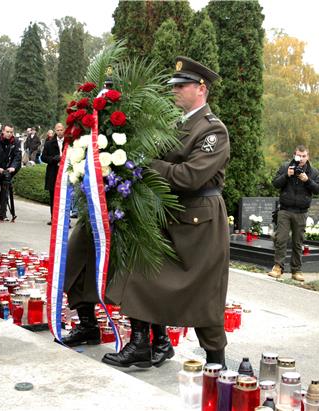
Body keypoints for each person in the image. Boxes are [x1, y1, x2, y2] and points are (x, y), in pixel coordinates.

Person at [102, 56, 231, 368]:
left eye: (182, 85)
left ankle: (217, 363)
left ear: (202, 89)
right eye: (174, 85)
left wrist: (146, 164)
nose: (175, 91)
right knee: (140, 271)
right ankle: (141, 344)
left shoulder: (214, 131)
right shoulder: (179, 123)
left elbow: (190, 177)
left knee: (204, 297)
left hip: (199, 223)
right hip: (170, 214)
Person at [268, 145, 319, 282]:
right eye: (299, 156)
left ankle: (296, 270)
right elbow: (275, 183)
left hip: (301, 212)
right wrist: (287, 175)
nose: (302, 158)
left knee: (298, 242)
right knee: (281, 239)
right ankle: (278, 267)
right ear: (294, 155)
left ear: (308, 156)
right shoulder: (286, 167)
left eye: (304, 156)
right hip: (285, 210)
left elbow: (318, 189)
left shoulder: (313, 172)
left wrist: (307, 180)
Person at [41, 123, 65, 225]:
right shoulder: (49, 143)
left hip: (65, 172)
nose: (59, 132)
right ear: (55, 131)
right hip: (53, 172)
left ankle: (65, 219)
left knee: (64, 197)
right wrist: (53, 159)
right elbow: (43, 157)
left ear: (64, 130)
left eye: (61, 130)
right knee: (53, 197)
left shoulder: (69, 143)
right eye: (58, 130)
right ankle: (53, 218)